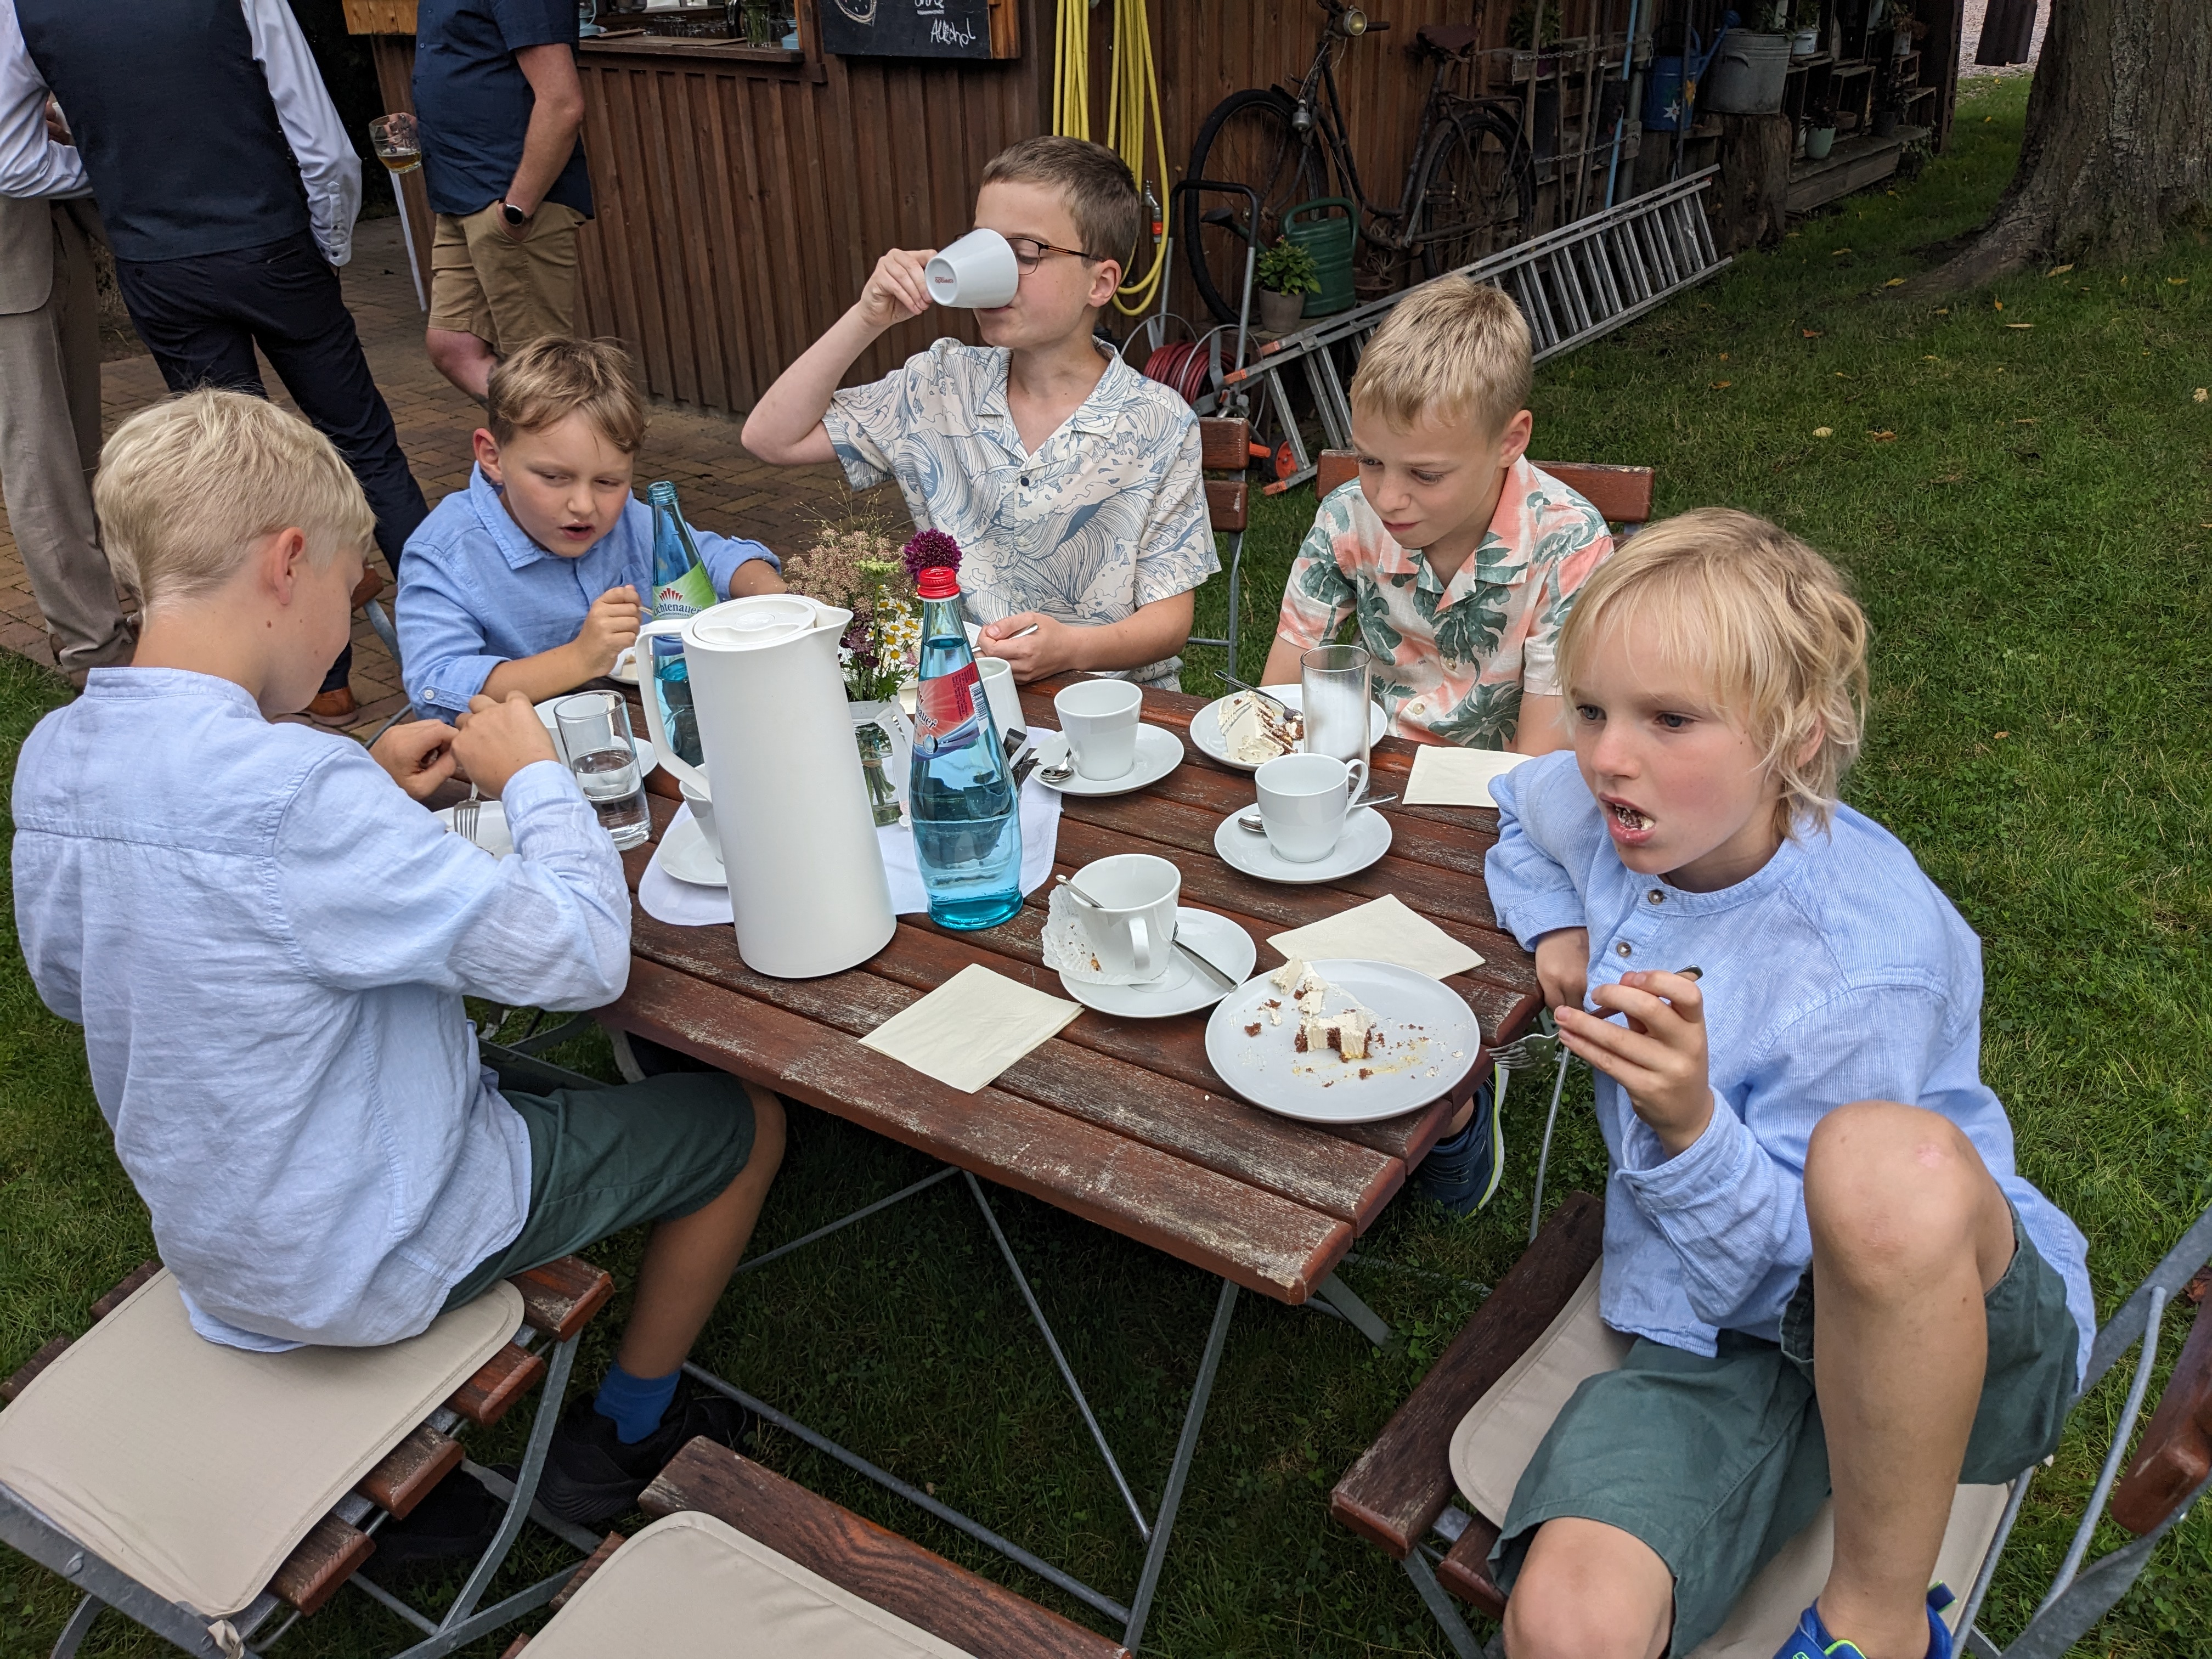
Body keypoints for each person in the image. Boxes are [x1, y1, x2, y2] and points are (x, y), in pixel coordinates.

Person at [13, 389, 783, 1525]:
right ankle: (627, 1428)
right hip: (369, 1248)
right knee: (738, 1122)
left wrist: (367, 797)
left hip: (219, 1234)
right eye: (350, 584)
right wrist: (536, 776)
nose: (347, 618)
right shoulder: (298, 791)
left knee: (513, 1070)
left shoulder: (60, 752)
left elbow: (73, 982)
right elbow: (584, 960)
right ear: (288, 563)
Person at [1479, 510, 2092, 1659]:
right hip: (1716, 1332)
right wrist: (1557, 921)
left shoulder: (1858, 965)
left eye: (1670, 719)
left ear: (1797, 741)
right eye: (1593, 707)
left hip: (1933, 1323)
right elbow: (1522, 807)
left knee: (1878, 1162)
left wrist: (1689, 1127)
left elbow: (1811, 1277)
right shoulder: (1615, 813)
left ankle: (1878, 1624)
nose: (1608, 756)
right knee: (1566, 1624)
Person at [2, 0, 428, 724]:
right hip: (272, 245)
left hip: (159, 265)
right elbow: (323, 147)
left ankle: (323, 684)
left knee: (242, 476)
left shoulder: (25, 8)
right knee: (365, 445)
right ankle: (449, 641)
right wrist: (329, 242)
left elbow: (11, 159)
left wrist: (115, 172)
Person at [742, 134, 1215, 690]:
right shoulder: (939, 384)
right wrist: (868, 317)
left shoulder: (1159, 422)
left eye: (1025, 252)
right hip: (967, 694)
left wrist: (1071, 649)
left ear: (1101, 282)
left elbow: (1169, 623)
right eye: (982, 244)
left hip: (1114, 709)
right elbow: (771, 438)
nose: (994, 271)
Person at [1259, 278, 1612, 754]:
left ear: (1510, 442)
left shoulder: (1569, 544)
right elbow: (1280, 703)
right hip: (1367, 772)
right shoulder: (1347, 515)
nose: (1387, 499)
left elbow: (1538, 763)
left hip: (1495, 790)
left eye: (1425, 475)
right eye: (1369, 461)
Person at [398, 335, 785, 720]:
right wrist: (580, 659)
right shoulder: (446, 555)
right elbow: (436, 688)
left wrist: (780, 601)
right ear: (493, 457)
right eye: (554, 477)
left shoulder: (626, 517)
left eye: (607, 482)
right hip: (528, 748)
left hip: (652, 722)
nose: (584, 506)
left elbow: (711, 558)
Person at [0, 84, 133, 685]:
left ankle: (93, 616)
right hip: (7, 270)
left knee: (81, 457)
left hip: (57, 238)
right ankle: (94, 651)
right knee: (41, 467)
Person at [415, 0, 591, 401]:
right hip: (459, 191)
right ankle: (537, 434)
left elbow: (563, 103)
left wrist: (517, 210)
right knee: (454, 347)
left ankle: (580, 439)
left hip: (510, 197)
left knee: (542, 374)